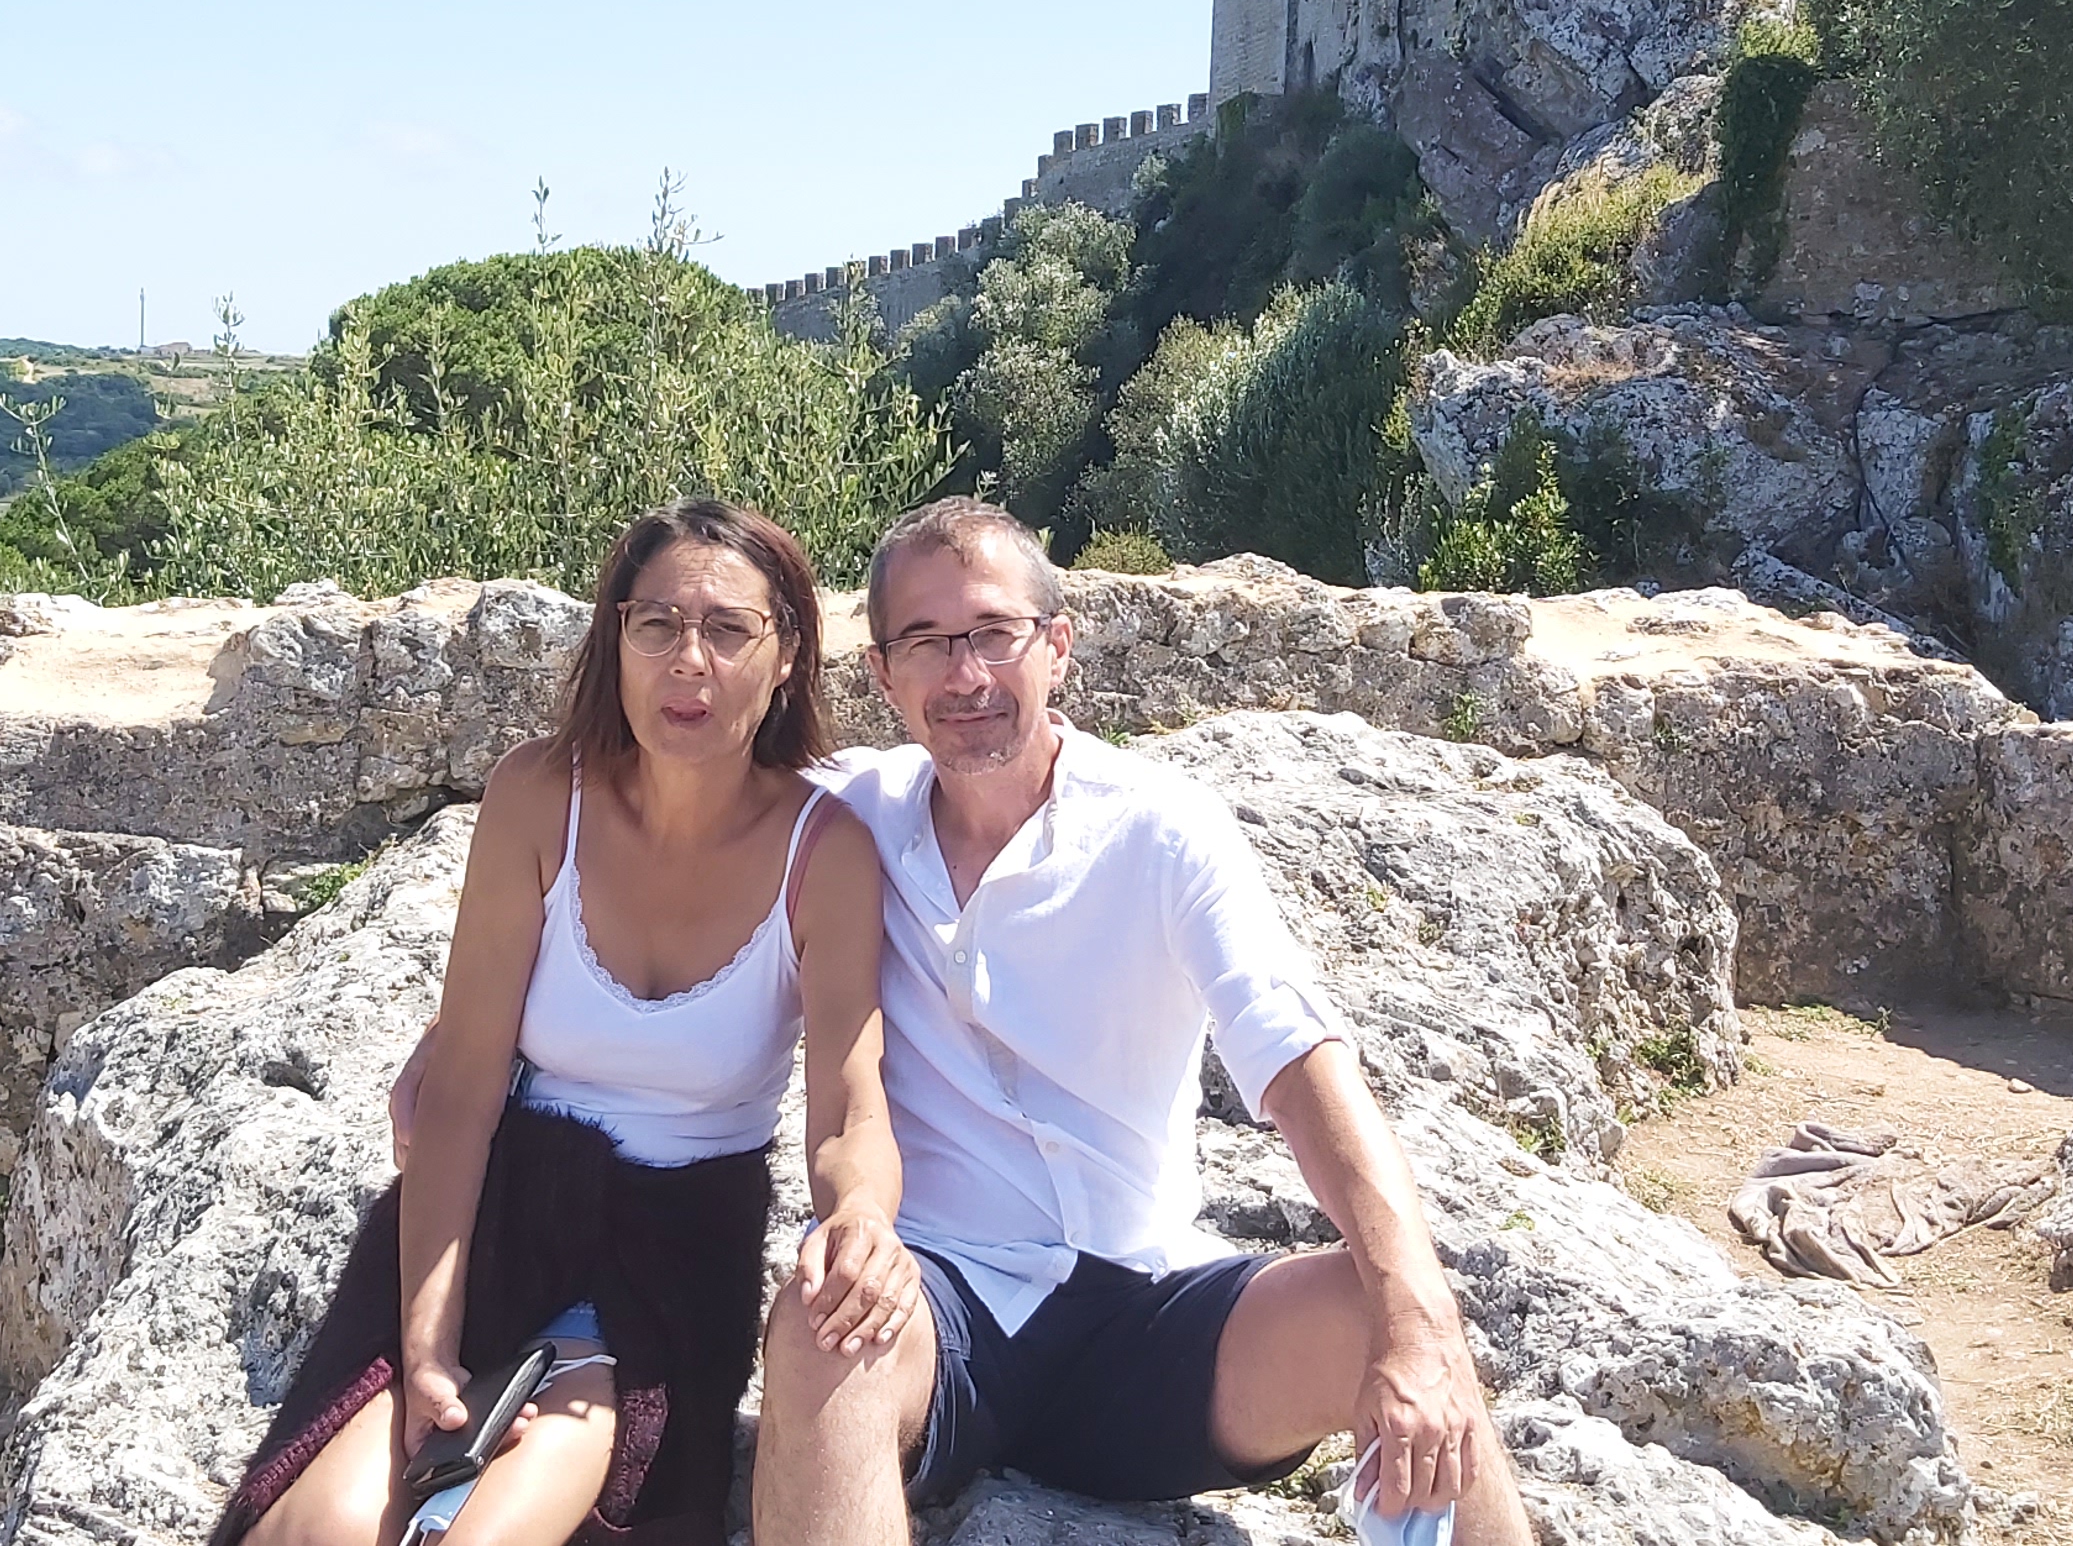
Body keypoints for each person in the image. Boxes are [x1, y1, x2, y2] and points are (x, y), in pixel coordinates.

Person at [749, 498, 1529, 1546]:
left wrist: (1419, 1318)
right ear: (883, 674)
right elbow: (664, 812)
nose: (965, 674)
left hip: (1150, 1318)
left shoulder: (1161, 829)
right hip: (941, 1310)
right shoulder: (842, 820)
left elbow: (1296, 1053)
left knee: (1384, 1311)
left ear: (1057, 647)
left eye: (993, 632)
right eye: (926, 643)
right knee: (823, 1320)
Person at [214, 501, 919, 1546]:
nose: (688, 661)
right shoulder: (540, 794)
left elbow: (850, 1110)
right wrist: (428, 1343)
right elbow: (462, 1085)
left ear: (786, 658)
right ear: (615, 639)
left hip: (670, 1261)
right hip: (502, 1214)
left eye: (728, 629)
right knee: (315, 1532)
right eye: (656, 624)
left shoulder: (827, 851)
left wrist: (859, 1215)